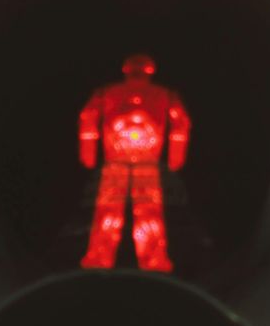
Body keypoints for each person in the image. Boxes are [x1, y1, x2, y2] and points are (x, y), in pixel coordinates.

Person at [77, 53, 191, 272]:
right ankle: (148, 262)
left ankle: (106, 260)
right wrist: (175, 157)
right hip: (130, 163)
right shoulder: (163, 94)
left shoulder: (108, 92)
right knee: (135, 213)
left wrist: (89, 154)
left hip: (127, 162)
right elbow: (181, 123)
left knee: (116, 212)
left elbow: (87, 117)